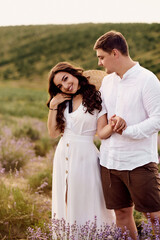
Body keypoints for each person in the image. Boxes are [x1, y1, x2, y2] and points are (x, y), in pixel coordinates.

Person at [94, 30, 160, 239]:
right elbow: (104, 113)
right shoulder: (107, 82)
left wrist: (127, 130)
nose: (100, 63)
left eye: (101, 57)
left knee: (154, 216)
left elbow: (157, 119)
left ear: (115, 53)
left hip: (139, 162)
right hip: (109, 162)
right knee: (121, 213)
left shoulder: (147, 80)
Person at [47, 62, 117, 230]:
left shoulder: (97, 98)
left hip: (86, 156)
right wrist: (53, 106)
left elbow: (101, 132)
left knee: (87, 199)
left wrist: (114, 125)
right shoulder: (63, 101)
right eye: (59, 85)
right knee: (64, 198)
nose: (65, 85)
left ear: (74, 74)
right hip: (63, 154)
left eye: (65, 78)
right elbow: (53, 133)